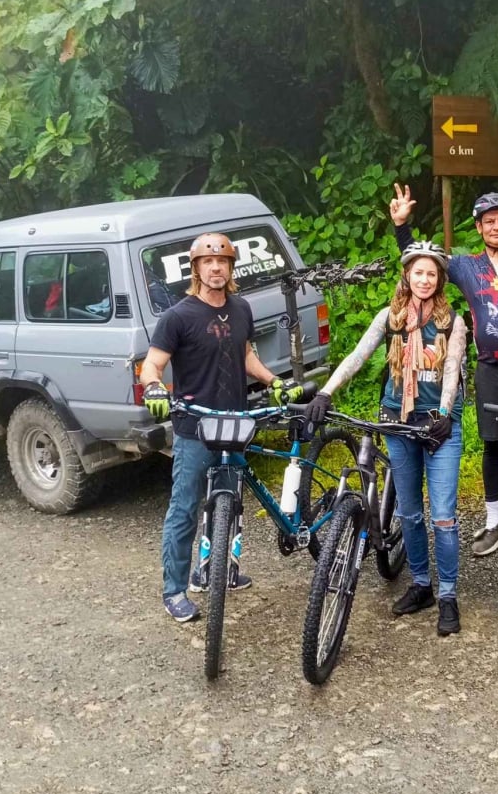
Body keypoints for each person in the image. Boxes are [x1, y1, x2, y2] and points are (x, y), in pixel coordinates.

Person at [304, 241, 469, 636]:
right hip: (398, 420)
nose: (424, 280)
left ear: (440, 279)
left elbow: (452, 369)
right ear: (407, 276)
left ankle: (448, 594)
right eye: (418, 273)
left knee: (443, 517)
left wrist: (445, 415)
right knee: (409, 512)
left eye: (431, 273)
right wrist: (327, 391)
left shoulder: (453, 322)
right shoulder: (391, 317)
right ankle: (421, 585)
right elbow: (358, 356)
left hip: (438, 425)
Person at [389, 185, 498, 557]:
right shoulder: (465, 266)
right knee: (493, 446)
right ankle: (495, 521)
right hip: (491, 368)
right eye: (489, 222)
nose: (497, 227)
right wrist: (402, 226)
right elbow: (421, 263)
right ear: (479, 228)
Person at [140, 232, 300, 624]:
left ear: (231, 269)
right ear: (196, 268)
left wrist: (272, 381)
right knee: (185, 508)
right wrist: (155, 388)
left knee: (228, 502)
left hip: (236, 422)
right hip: (195, 426)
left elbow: (245, 354)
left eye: (223, 262)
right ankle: (175, 589)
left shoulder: (241, 308)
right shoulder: (178, 316)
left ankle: (217, 570)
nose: (216, 268)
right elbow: (151, 365)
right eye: (208, 262)